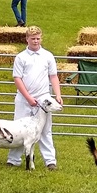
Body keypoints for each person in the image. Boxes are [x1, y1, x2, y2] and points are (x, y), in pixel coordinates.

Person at [7, 25, 62, 170]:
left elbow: (53, 76)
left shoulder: (48, 56)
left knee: (45, 129)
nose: (35, 41)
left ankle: (50, 161)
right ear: (27, 39)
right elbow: (17, 78)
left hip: (43, 98)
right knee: (19, 128)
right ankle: (13, 159)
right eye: (33, 39)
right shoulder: (21, 57)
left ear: (41, 38)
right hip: (24, 98)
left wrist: (58, 95)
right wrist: (28, 97)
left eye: (38, 38)